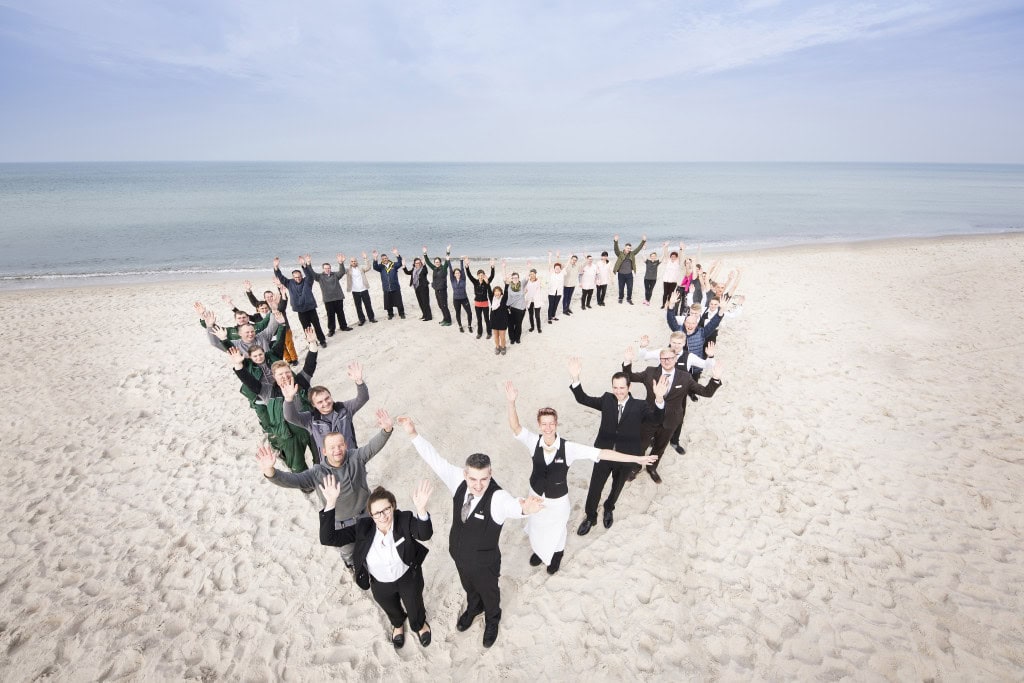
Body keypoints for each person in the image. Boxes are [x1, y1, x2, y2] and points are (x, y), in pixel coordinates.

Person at [396, 417, 543, 648]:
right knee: (469, 587)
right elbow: (434, 459)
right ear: (465, 474)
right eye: (473, 478)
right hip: (459, 554)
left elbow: (514, 505)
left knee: (490, 593)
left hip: (485, 562)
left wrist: (526, 508)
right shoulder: (458, 479)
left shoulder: (497, 498)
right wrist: (413, 434)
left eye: (484, 479)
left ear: (490, 474)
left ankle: (492, 618)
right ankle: (474, 607)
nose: (478, 485)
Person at [503, 381, 657, 574]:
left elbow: (604, 453)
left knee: (557, 529)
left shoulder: (569, 448)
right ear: (539, 425)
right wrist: (511, 403)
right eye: (544, 424)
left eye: (551, 423)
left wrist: (637, 458)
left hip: (557, 499)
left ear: (556, 424)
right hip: (535, 493)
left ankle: (556, 555)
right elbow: (515, 427)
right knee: (536, 525)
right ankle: (541, 552)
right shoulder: (533, 441)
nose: (548, 427)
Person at [256, 408, 395, 566]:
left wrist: (386, 430)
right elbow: (292, 480)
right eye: (332, 448)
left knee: (374, 545)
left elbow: (372, 447)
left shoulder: (356, 456)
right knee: (349, 555)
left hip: (367, 516)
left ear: (345, 445)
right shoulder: (318, 473)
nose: (337, 450)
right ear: (324, 451)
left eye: (340, 445)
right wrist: (270, 471)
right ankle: (352, 567)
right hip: (342, 525)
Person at [319, 476, 435, 649]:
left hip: (407, 577)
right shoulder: (362, 528)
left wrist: (421, 509)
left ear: (393, 506)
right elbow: (328, 538)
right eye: (377, 513)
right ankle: (397, 624)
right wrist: (330, 503)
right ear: (371, 515)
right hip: (380, 583)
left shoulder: (404, 519)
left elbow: (424, 534)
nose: (383, 516)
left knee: (414, 603)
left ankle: (419, 625)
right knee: (389, 606)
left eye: (386, 510)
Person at [568, 356, 667, 535]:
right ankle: (590, 516)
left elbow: (657, 419)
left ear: (629, 387)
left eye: (622, 388)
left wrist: (659, 398)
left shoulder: (640, 405)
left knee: (617, 486)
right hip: (603, 453)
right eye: (615, 387)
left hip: (627, 455)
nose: (618, 391)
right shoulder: (606, 400)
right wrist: (575, 378)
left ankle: (609, 508)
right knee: (595, 487)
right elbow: (583, 399)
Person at [622, 345, 724, 483]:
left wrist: (715, 379)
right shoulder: (650, 372)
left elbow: (706, 392)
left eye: (670, 358)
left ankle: (652, 468)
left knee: (660, 447)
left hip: (671, 420)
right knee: (641, 444)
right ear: (660, 359)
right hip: (649, 418)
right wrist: (627, 362)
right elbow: (630, 377)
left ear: (675, 359)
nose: (667, 361)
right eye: (663, 358)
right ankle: (635, 467)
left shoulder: (685, 377)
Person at [282, 361, 369, 463]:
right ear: (313, 405)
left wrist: (359, 382)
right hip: (328, 467)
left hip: (352, 460)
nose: (325, 403)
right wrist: (288, 399)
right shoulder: (310, 419)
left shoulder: (345, 409)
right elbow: (290, 416)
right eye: (320, 402)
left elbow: (362, 398)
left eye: (327, 398)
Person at [274, 255, 327, 346]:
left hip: (311, 308)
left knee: (317, 326)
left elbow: (310, 275)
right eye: (295, 277)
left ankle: (322, 341)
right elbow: (281, 277)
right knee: (306, 328)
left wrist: (304, 265)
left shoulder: (307, 281)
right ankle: (311, 342)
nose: (297, 278)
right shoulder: (289, 283)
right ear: (293, 277)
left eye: (299, 277)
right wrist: (276, 267)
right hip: (300, 310)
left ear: (301, 276)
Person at [313, 254, 354, 336]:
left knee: (340, 313)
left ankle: (343, 326)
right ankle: (331, 330)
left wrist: (341, 263)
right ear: (323, 269)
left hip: (338, 298)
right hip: (328, 300)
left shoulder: (335, 275)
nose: (327, 269)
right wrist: (308, 264)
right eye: (325, 268)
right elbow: (312, 274)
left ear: (330, 268)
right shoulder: (320, 277)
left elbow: (342, 272)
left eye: (328, 268)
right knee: (330, 315)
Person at [464, 257, 495, 340]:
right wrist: (467, 266)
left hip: (485, 303)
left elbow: (492, 275)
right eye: (479, 275)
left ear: (484, 275)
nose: (481, 276)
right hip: (477, 304)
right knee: (479, 319)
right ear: (477, 276)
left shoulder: (486, 282)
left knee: (486, 319)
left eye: (482, 275)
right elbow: (469, 275)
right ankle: (479, 332)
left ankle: (489, 332)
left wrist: (492, 267)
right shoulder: (475, 282)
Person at [612, 234, 646, 305]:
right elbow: (616, 249)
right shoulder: (620, 254)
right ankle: (620, 298)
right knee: (621, 287)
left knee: (630, 288)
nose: (628, 249)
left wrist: (643, 241)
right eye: (627, 248)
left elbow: (638, 248)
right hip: (621, 274)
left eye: (630, 248)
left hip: (629, 274)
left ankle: (629, 299)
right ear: (625, 248)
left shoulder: (632, 254)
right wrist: (615, 241)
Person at [372, 248, 405, 320]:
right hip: (386, 287)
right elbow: (374, 267)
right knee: (388, 302)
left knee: (399, 301)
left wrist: (397, 254)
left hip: (395, 287)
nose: (385, 259)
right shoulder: (380, 267)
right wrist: (375, 258)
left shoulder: (393, 265)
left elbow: (400, 263)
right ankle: (390, 314)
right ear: (381, 260)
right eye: (383, 259)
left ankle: (402, 314)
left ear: (388, 258)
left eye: (386, 258)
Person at [424, 245, 453, 327]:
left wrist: (447, 251)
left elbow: (447, 262)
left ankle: (449, 320)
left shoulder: (443, 268)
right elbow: (428, 262)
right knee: (440, 306)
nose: (437, 263)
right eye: (436, 262)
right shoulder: (434, 268)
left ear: (440, 262)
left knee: (444, 306)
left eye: (438, 262)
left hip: (442, 291)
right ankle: (445, 318)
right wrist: (425, 253)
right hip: (437, 290)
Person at [346, 253, 378, 325]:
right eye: (352, 261)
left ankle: (371, 318)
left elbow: (368, 267)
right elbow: (341, 271)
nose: (354, 262)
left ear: (357, 262)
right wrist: (341, 263)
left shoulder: (361, 268)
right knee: (358, 306)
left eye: (355, 261)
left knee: (368, 305)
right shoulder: (348, 270)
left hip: (364, 289)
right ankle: (362, 319)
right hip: (355, 291)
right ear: (350, 263)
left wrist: (365, 258)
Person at [502, 261, 527, 345]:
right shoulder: (509, 285)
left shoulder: (522, 284)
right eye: (513, 278)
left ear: (519, 278)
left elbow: (527, 277)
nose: (515, 279)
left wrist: (528, 267)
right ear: (512, 279)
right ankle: (512, 338)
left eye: (516, 277)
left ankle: (517, 338)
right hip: (511, 308)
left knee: (518, 324)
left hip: (521, 309)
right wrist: (504, 267)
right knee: (510, 325)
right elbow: (505, 278)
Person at [403, 255, 433, 322]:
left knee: (425, 302)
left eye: (419, 263)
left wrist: (424, 264)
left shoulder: (423, 269)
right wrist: (404, 266)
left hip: (424, 288)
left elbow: (426, 271)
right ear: (414, 264)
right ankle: (424, 315)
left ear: (421, 263)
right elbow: (407, 272)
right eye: (416, 263)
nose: (418, 264)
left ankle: (429, 317)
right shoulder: (414, 269)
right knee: (420, 302)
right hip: (416, 288)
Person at [449, 257, 472, 333]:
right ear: (454, 274)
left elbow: (462, 269)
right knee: (458, 313)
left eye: (458, 273)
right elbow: (450, 269)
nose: (457, 274)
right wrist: (448, 260)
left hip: (464, 298)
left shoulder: (463, 279)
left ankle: (469, 325)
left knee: (469, 312)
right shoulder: (452, 280)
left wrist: (461, 261)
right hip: (456, 299)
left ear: (460, 274)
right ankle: (460, 326)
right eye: (456, 273)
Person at [660, 242, 685, 308]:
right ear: (670, 256)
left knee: (670, 294)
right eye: (672, 256)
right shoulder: (668, 261)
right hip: (666, 280)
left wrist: (681, 249)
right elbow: (666, 254)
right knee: (665, 293)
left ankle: (668, 304)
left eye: (674, 256)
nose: (673, 257)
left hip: (673, 281)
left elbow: (680, 255)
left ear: (676, 257)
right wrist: (666, 247)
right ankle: (663, 304)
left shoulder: (678, 262)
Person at [489, 285, 510, 355]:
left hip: (502, 321)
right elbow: (489, 291)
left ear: (501, 292)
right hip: (494, 320)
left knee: (502, 337)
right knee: (496, 336)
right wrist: (487, 283)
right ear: (494, 293)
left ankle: (503, 347)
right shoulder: (492, 299)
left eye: (498, 291)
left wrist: (506, 284)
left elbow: (506, 293)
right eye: (495, 291)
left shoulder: (503, 299)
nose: (497, 293)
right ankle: (497, 347)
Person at [546, 252, 564, 323]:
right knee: (551, 305)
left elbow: (564, 265)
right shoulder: (552, 273)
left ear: (560, 269)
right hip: (551, 292)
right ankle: (549, 318)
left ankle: (553, 316)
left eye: (558, 268)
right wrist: (550, 256)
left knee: (556, 305)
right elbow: (550, 265)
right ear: (554, 269)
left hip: (559, 292)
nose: (557, 268)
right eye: (556, 268)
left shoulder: (562, 274)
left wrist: (558, 257)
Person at [524, 267, 543, 334]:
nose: (532, 275)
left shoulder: (539, 281)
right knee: (530, 315)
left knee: (537, 316)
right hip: (529, 301)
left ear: (535, 274)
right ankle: (532, 327)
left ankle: (539, 328)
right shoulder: (527, 281)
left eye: (533, 274)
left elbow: (541, 286)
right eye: (531, 274)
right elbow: (525, 290)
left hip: (537, 301)